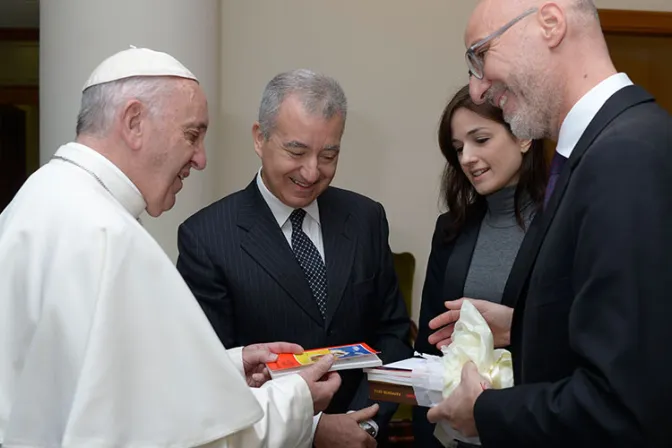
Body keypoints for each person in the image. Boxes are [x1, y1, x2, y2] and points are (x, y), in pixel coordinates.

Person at [0, 47, 342, 448]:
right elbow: (180, 437)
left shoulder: (46, 195)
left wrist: (229, 366)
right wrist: (297, 398)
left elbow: (124, 380)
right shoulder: (106, 235)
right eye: (192, 134)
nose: (200, 159)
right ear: (133, 122)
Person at [426, 0, 672, 446]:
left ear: (551, 24)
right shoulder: (594, 153)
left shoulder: (624, 156)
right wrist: (521, 326)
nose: (477, 90)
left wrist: (484, 413)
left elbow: (625, 405)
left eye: (481, 55)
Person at [176, 69, 413, 447]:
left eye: (329, 155)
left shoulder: (366, 218)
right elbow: (209, 373)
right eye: (297, 151)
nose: (311, 171)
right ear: (260, 138)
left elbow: (394, 335)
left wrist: (365, 422)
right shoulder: (206, 238)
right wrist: (313, 428)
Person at [412, 85, 546, 447]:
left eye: (481, 139)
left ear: (523, 137)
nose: (467, 158)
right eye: (458, 149)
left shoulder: (562, 224)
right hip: (450, 433)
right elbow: (429, 343)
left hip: (531, 425)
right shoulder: (451, 229)